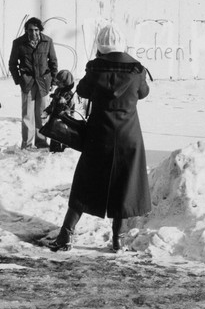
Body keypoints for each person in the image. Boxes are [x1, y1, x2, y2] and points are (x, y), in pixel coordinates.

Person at [48, 23, 151, 252]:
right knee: (123, 187)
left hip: (99, 136)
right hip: (129, 137)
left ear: (100, 47)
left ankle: (65, 236)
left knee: (85, 183)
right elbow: (143, 93)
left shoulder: (95, 69)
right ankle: (117, 241)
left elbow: (83, 91)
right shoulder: (137, 70)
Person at [8, 17, 59, 149]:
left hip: (43, 83)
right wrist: (19, 80)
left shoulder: (47, 41)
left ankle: (41, 142)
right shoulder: (18, 43)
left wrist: (53, 80)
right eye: (30, 30)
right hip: (27, 83)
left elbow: (53, 62)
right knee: (27, 116)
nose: (33, 33)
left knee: (42, 114)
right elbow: (12, 64)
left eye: (36, 30)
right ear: (26, 30)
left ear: (40, 30)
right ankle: (27, 144)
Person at [43, 69, 85, 153]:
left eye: (59, 82)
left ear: (65, 83)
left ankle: (64, 153)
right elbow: (52, 104)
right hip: (55, 120)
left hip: (65, 122)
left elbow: (69, 109)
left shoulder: (69, 94)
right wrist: (47, 111)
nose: (57, 83)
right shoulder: (58, 91)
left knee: (64, 140)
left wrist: (63, 103)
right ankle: (54, 152)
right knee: (54, 139)